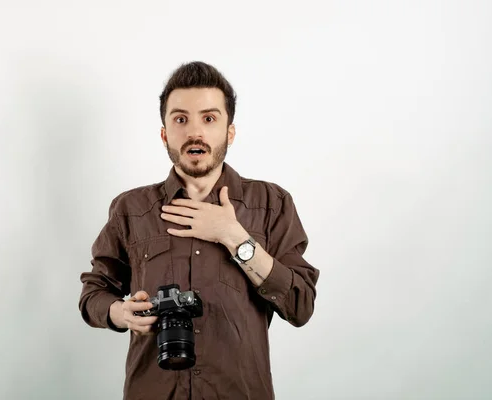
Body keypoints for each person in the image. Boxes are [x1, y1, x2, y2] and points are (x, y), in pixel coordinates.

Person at [79, 61, 320, 400]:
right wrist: (119, 313)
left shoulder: (271, 203)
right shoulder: (131, 209)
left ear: (229, 132)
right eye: (181, 119)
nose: (195, 132)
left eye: (209, 119)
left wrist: (234, 236)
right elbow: (93, 294)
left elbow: (301, 305)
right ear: (164, 133)